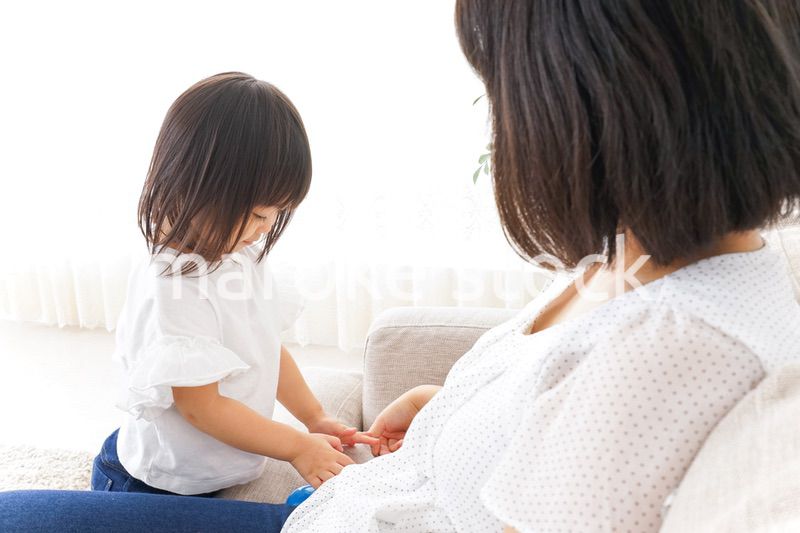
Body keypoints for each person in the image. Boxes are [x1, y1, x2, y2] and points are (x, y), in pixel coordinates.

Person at [3, 1, 800, 531]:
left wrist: (306, 433)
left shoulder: (680, 345)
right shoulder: (635, 256)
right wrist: (444, 401)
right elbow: (543, 395)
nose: (501, 129)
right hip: (294, 488)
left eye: (503, 92)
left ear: (595, 106)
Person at [93, 71, 377, 501]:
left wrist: (315, 418)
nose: (265, 228)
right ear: (201, 187)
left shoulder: (239, 252)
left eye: (276, 215)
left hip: (216, 467)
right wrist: (296, 447)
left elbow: (265, 348)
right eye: (260, 215)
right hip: (161, 484)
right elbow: (201, 407)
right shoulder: (176, 284)